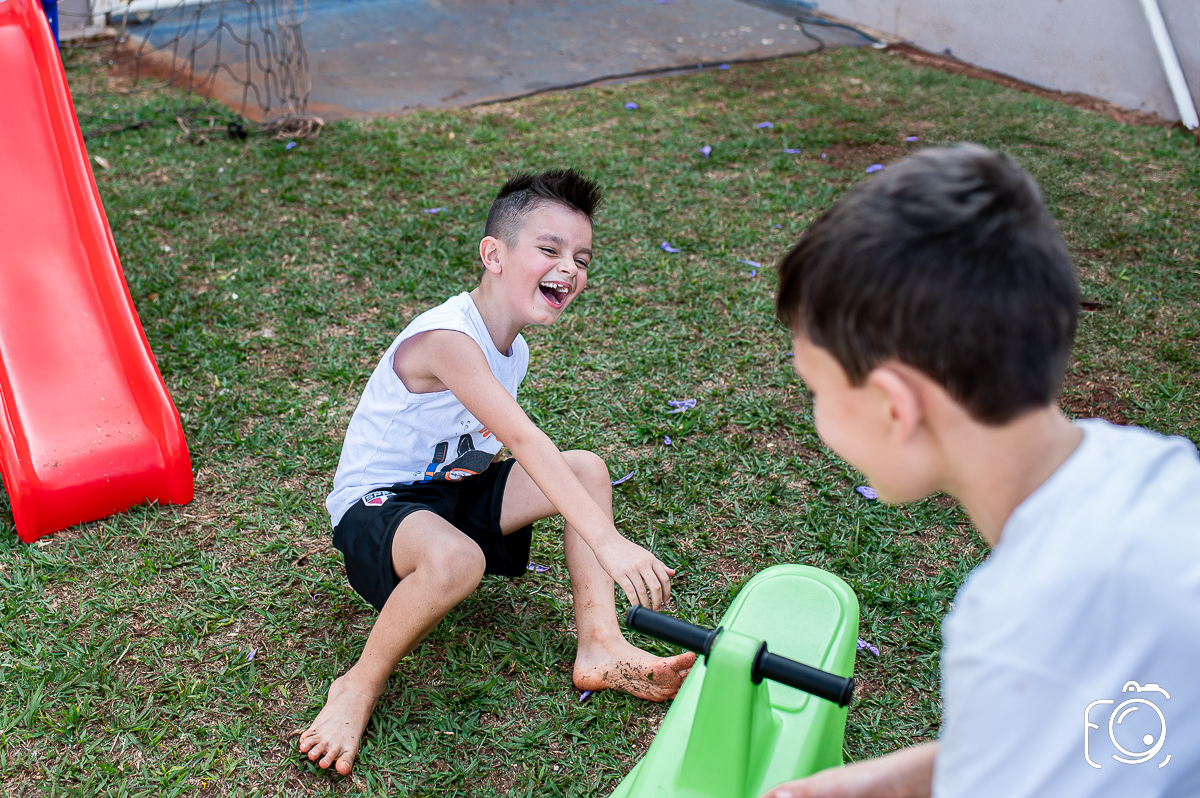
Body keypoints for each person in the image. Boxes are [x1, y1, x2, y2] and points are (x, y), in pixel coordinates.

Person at [762, 144, 1200, 798]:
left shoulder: (1021, 625)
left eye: (816, 390)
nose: (817, 418)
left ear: (894, 405)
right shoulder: (1161, 471)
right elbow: (1121, 729)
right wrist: (893, 781)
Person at [300, 169, 695, 776]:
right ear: (495, 255)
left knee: (586, 470)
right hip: (377, 507)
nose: (569, 268)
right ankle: (357, 684)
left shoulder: (517, 348)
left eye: (581, 258)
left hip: (451, 492)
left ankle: (601, 645)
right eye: (549, 249)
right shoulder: (448, 340)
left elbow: (513, 450)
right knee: (460, 560)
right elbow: (520, 437)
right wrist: (608, 542)